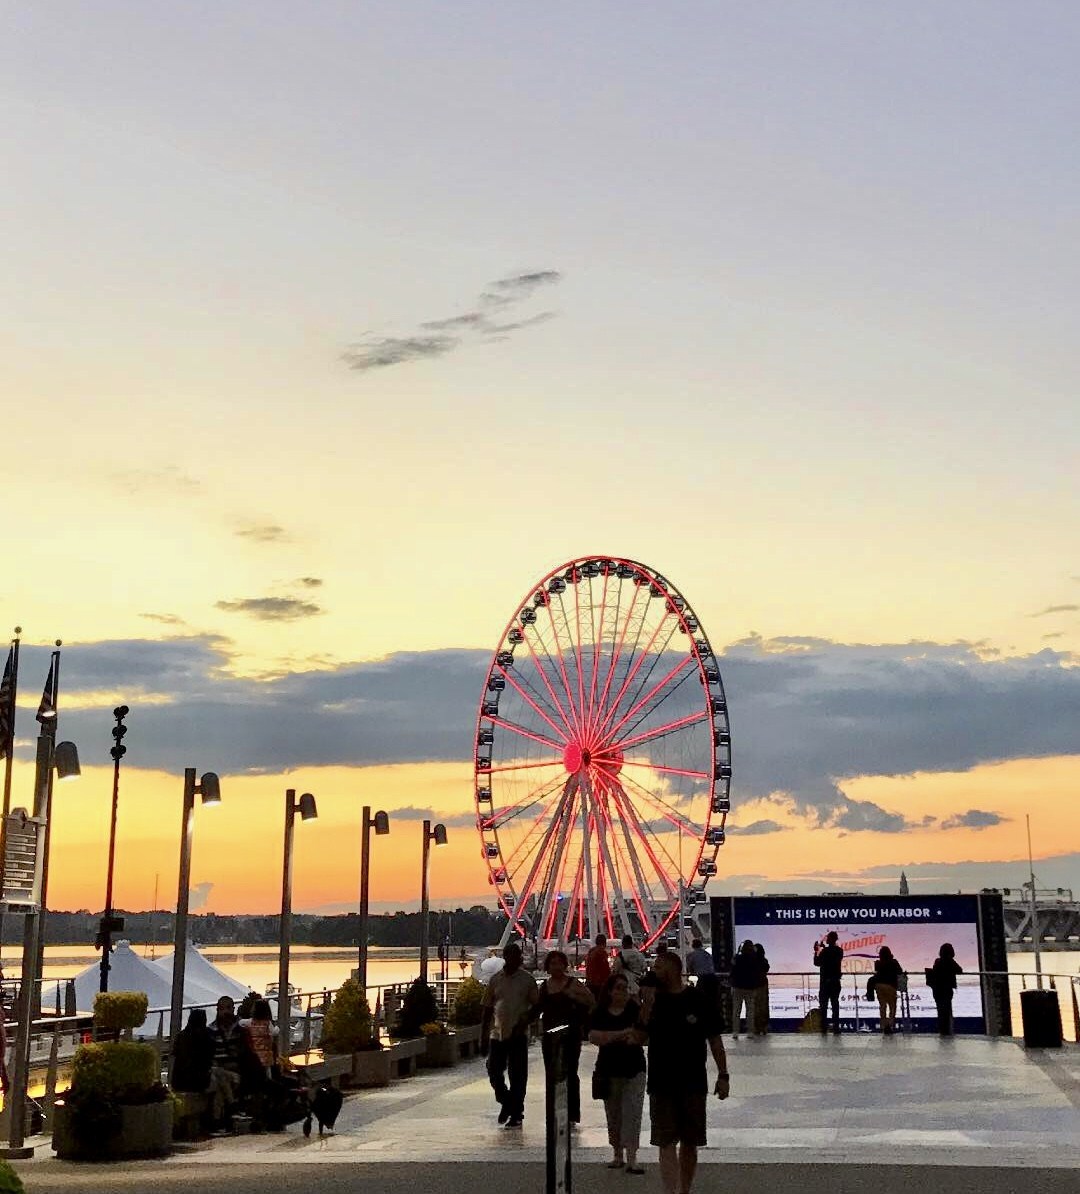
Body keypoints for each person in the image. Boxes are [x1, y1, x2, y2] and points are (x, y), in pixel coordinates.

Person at [637, 951, 729, 1194]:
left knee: (690, 1141)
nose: (653, 971)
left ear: (673, 970)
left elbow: (715, 1039)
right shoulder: (653, 1001)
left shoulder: (698, 999)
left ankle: (684, 1189)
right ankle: (671, 1191)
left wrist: (723, 1075)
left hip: (692, 1081)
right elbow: (638, 1036)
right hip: (661, 1081)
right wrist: (647, 1005)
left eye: (658, 967)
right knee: (665, 1141)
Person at [589, 972, 647, 1174]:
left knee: (632, 1113)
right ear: (610, 991)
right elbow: (595, 1037)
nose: (622, 992)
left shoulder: (634, 1010)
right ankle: (617, 1153)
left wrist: (610, 1037)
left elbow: (641, 1036)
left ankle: (631, 1156)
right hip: (609, 1068)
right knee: (613, 1113)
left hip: (634, 1068)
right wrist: (623, 1033)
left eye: (625, 988)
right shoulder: (600, 1012)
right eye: (618, 988)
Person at [480, 941, 539, 1129]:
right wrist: (483, 1036)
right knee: (494, 1071)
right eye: (510, 956)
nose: (513, 959)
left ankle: (516, 1113)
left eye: (516, 956)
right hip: (497, 1034)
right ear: (505, 957)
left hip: (518, 1035)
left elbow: (537, 1007)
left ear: (520, 957)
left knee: (518, 1076)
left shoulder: (527, 980)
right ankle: (506, 1101)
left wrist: (526, 1021)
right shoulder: (495, 980)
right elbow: (487, 1009)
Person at [535, 950, 594, 1125]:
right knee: (551, 1072)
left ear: (564, 965)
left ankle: (572, 1113)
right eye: (552, 963)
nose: (556, 966)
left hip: (570, 1034)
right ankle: (554, 1110)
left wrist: (573, 997)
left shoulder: (573, 984)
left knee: (570, 1071)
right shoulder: (545, 987)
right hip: (550, 1035)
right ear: (548, 966)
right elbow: (538, 1008)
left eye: (559, 963)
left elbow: (591, 1001)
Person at [171, 1007, 216, 1094]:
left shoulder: (181, 1036)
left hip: (178, 1082)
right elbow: (209, 1058)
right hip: (197, 1082)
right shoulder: (205, 1036)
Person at [729, 939, 763, 1039]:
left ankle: (735, 1031)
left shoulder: (737, 958)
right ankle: (750, 1032)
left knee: (736, 1011)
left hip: (738, 986)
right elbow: (757, 972)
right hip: (750, 988)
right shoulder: (754, 959)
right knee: (750, 1011)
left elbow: (733, 971)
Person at [928, 943, 963, 1037]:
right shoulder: (950, 961)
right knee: (947, 1009)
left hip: (937, 989)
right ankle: (947, 1029)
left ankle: (942, 1029)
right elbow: (960, 970)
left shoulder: (937, 961)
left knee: (940, 1009)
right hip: (947, 988)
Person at [813, 931, 844, 1035]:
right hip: (835, 981)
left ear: (829, 939)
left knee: (824, 1006)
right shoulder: (839, 951)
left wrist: (817, 950)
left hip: (825, 982)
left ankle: (824, 1028)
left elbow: (817, 963)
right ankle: (836, 1027)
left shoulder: (825, 952)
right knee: (835, 1004)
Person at [240, 998, 279, 1077]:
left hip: (254, 1055)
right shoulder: (267, 1023)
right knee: (267, 1074)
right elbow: (274, 1032)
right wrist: (278, 1028)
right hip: (265, 1055)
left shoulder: (249, 1022)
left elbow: (240, 1023)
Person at [874, 946, 903, 1035]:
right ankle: (890, 1025)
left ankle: (884, 1026)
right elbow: (900, 972)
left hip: (879, 986)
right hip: (891, 986)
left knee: (882, 1006)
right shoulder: (894, 962)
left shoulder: (878, 963)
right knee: (892, 1006)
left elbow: (877, 973)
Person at [585, 934, 612, 1000]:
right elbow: (604, 969)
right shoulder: (601, 952)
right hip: (599, 983)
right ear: (604, 942)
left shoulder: (591, 951)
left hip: (590, 981)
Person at [753, 943, 771, 1036]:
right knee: (763, 1006)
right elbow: (766, 968)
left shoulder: (752, 960)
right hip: (763, 984)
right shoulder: (764, 960)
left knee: (756, 1006)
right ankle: (763, 1027)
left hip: (754, 985)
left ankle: (757, 1027)